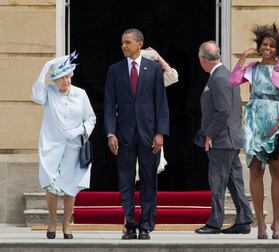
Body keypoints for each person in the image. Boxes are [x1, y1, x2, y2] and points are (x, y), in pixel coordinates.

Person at [229, 23, 279, 239]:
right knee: (255, 172)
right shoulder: (253, 68)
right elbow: (233, 80)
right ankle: (261, 223)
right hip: (254, 122)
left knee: (278, 172)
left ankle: (276, 223)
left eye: (271, 45)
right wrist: (244, 57)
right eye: (264, 44)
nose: (267, 48)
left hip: (277, 123)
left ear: (278, 48)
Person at [104, 28, 169, 240]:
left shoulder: (153, 69)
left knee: (150, 181)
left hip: (149, 135)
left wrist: (160, 133)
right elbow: (108, 105)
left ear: (139, 44)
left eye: (128, 42)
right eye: (122, 42)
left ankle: (146, 226)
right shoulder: (115, 70)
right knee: (125, 180)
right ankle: (130, 224)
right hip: (124, 135)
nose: (124, 46)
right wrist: (110, 133)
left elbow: (161, 103)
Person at [31, 53, 96, 239]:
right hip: (51, 146)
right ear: (55, 80)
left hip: (73, 147)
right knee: (51, 186)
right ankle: (52, 222)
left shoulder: (80, 94)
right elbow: (36, 95)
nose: (65, 81)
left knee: (70, 187)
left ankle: (66, 225)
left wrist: (79, 130)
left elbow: (91, 118)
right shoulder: (49, 92)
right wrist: (46, 68)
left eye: (67, 77)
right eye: (61, 78)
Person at [194, 41, 253, 235]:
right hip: (231, 138)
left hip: (221, 139)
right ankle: (244, 218)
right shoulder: (226, 74)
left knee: (217, 180)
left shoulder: (218, 78)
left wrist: (209, 134)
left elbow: (223, 110)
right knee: (234, 181)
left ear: (203, 59)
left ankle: (214, 222)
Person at [134, 47, 179, 180]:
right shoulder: (128, 75)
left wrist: (158, 57)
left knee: (149, 168)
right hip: (132, 127)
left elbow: (173, 76)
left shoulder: (155, 79)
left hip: (150, 127)